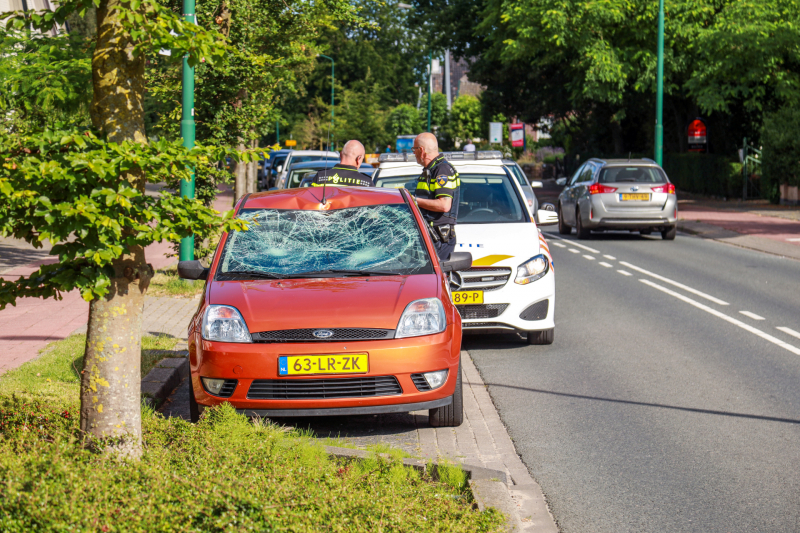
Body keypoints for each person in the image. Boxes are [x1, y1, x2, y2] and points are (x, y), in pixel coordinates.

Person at [412, 132, 460, 260]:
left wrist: (414, 201)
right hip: (431, 237)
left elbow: (444, 205)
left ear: (421, 150)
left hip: (439, 239)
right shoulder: (431, 170)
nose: (413, 153)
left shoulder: (441, 170)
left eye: (414, 149)